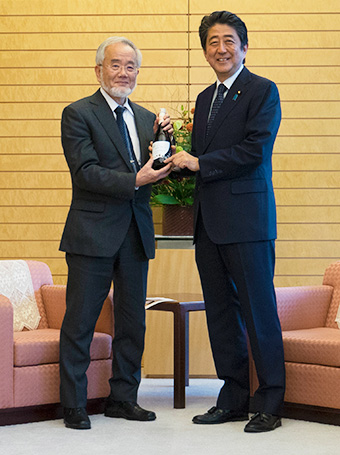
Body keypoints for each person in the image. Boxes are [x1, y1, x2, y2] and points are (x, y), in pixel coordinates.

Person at [165, 11, 285, 433]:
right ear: (204, 51)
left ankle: (269, 400)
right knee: (220, 314)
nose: (221, 48)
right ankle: (232, 397)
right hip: (208, 224)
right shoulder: (203, 98)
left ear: (244, 47)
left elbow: (255, 151)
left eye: (229, 40)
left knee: (259, 312)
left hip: (248, 223)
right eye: (213, 42)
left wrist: (198, 161)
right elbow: (200, 163)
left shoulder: (262, 91)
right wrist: (170, 160)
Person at [59, 36, 172, 430]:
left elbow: (152, 171)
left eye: (131, 66)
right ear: (99, 70)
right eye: (116, 65)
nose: (124, 72)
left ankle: (123, 397)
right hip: (92, 232)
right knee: (81, 321)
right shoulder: (78, 113)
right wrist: (135, 179)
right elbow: (85, 172)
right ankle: (73, 403)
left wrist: (167, 147)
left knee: (132, 322)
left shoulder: (144, 117)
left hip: (135, 233)